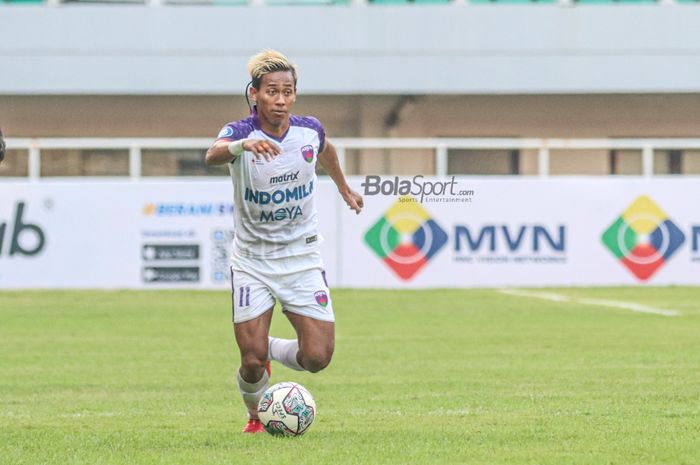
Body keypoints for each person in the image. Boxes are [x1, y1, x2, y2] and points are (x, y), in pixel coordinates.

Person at [205, 50, 363, 433]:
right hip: (253, 262)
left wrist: (343, 188)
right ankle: (255, 416)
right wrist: (243, 147)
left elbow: (325, 149)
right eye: (272, 91)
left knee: (317, 358)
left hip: (302, 258)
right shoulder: (241, 133)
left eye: (287, 91)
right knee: (252, 362)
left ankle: (270, 346)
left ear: (294, 95)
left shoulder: (309, 130)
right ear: (254, 94)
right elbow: (211, 155)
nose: (280, 99)